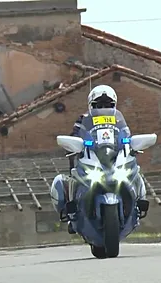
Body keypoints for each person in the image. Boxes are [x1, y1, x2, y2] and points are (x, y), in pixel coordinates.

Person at [60, 85, 148, 234]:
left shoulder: (119, 120)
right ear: (91, 105)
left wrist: (130, 144)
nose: (103, 107)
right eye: (99, 105)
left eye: (108, 104)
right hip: (92, 157)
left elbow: (125, 134)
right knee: (70, 179)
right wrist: (77, 143)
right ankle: (71, 214)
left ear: (114, 105)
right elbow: (75, 134)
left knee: (136, 172)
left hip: (113, 158)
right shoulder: (84, 119)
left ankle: (139, 205)